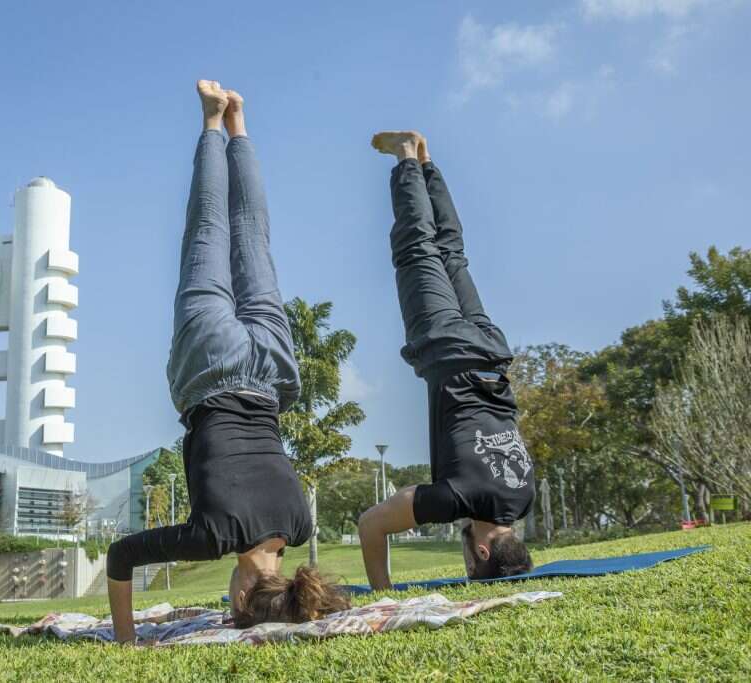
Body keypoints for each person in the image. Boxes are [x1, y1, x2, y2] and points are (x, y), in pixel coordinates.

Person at [105, 80, 349, 643]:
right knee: (207, 232)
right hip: (210, 368)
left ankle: (239, 126)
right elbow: (120, 557)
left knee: (254, 239)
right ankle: (212, 122)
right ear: (241, 597)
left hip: (270, 372)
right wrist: (126, 642)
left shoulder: (300, 525)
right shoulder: (211, 537)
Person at [358, 131, 535, 589]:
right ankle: (404, 157)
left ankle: (426, 162)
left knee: (452, 253)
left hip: (493, 355)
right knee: (416, 248)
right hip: (447, 349)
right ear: (480, 553)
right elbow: (370, 524)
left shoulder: (524, 498)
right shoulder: (454, 500)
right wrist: (385, 597)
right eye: (470, 565)